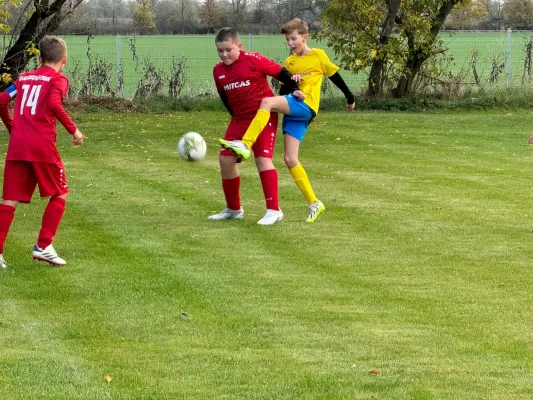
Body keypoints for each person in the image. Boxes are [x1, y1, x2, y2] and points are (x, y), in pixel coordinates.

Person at [219, 18, 355, 223]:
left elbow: (334, 76)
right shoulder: (290, 62)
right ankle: (314, 202)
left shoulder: (318, 55)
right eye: (287, 40)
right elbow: (285, 88)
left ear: (305, 37)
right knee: (290, 159)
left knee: (265, 102)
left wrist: (350, 97)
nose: (290, 43)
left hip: (306, 105)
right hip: (294, 112)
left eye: (293, 39)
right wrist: (293, 86)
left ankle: (245, 144)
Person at [0, 35, 84, 269]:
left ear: (41, 57)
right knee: (60, 193)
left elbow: (1, 101)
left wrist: (12, 127)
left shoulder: (23, 79)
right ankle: (43, 246)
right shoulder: (58, 79)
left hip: (18, 146)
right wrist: (74, 131)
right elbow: (55, 104)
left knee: (9, 199)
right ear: (63, 59)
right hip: (42, 146)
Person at [208, 27, 303, 225]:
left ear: (239, 46)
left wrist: (295, 90)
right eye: (220, 51)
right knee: (225, 160)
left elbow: (281, 73)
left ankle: (274, 210)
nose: (224, 55)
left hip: (263, 116)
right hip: (239, 120)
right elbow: (225, 97)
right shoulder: (217, 71)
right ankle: (234, 209)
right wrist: (235, 118)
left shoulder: (253, 59)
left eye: (228, 50)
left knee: (263, 159)